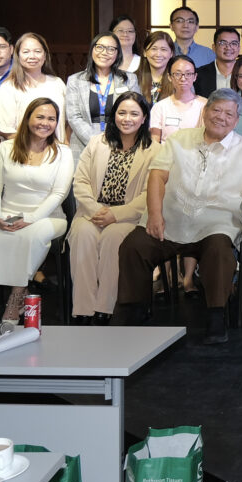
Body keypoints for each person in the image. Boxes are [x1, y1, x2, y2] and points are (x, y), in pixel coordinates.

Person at [115, 89, 242, 344]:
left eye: (229, 114)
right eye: (216, 110)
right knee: (134, 246)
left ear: (236, 120)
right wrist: (154, 215)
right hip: (170, 220)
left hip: (216, 223)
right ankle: (133, 309)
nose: (221, 117)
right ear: (205, 112)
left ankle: (217, 316)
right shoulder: (178, 140)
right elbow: (157, 176)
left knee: (220, 250)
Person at [68, 91, 156, 323]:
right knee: (83, 235)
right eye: (121, 112)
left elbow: (150, 193)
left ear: (144, 118)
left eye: (134, 114)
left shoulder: (154, 149)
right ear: (113, 115)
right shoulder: (97, 142)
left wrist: (115, 214)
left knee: (113, 238)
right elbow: (80, 181)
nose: (127, 119)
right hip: (92, 212)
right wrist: (95, 210)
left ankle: (105, 307)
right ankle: (83, 308)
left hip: (128, 217)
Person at [0, 98, 74, 324]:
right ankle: (21, 289)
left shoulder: (63, 153)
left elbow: (59, 193)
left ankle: (16, 297)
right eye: (40, 117)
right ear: (27, 119)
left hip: (48, 217)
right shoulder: (6, 147)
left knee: (30, 236)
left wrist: (31, 218)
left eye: (51, 119)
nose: (45, 123)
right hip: (8, 213)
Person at [65, 31, 139, 160]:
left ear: (117, 53)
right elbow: (74, 117)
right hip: (84, 145)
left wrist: (115, 142)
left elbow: (135, 112)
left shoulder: (129, 79)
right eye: (100, 47)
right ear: (92, 50)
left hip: (121, 144)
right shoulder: (75, 80)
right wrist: (97, 143)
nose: (104, 52)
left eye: (111, 49)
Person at [0, 32, 67, 144]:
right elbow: (5, 131)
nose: (32, 56)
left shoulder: (57, 83)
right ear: (18, 56)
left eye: (37, 51)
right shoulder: (8, 87)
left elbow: (66, 122)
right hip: (22, 150)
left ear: (45, 55)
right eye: (26, 52)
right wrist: (38, 147)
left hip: (56, 149)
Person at [149, 55, 207, 142]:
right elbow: (155, 141)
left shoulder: (205, 105)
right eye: (177, 74)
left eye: (188, 74)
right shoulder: (160, 107)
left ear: (195, 77)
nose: (183, 78)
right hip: (166, 150)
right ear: (169, 77)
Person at [194, 26, 242, 95]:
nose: (228, 47)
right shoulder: (199, 75)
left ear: (239, 48)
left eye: (234, 43)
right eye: (223, 43)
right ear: (214, 47)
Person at [135, 30, 175, 104]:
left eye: (163, 49)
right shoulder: (133, 79)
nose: (158, 54)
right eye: (154, 49)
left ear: (171, 54)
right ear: (144, 52)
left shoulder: (178, 80)